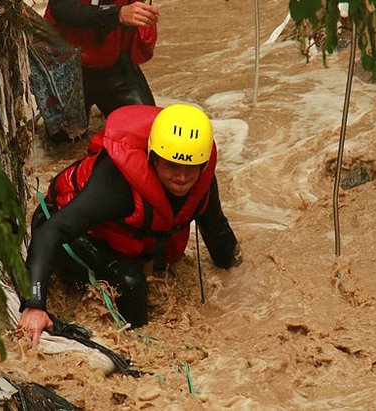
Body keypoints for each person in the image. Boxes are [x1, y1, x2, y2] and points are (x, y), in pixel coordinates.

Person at [18, 104, 242, 347]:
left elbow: (217, 231)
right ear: (153, 158)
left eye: (191, 167)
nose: (182, 177)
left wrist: (240, 279)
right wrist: (34, 305)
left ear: (203, 163)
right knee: (131, 284)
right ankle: (139, 347)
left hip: (115, 238)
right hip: (62, 229)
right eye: (172, 165)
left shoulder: (202, 181)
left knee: (167, 267)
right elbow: (51, 231)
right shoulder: (117, 185)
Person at [44, 0, 159, 138]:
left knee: (147, 132)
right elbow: (60, 8)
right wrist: (117, 14)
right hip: (67, 67)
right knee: (65, 140)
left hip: (115, 65)